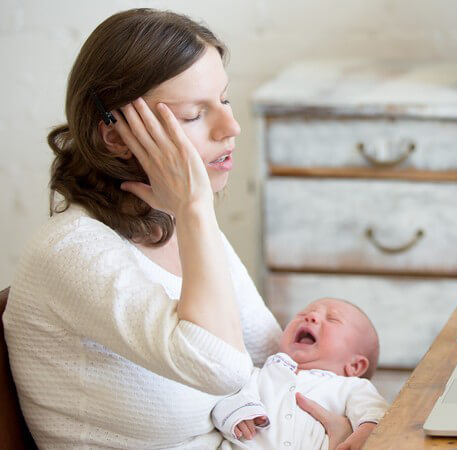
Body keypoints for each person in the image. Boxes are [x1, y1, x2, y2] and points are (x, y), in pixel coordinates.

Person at [4, 8, 354, 449]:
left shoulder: (173, 224)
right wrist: (195, 210)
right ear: (116, 136)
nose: (231, 127)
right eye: (192, 115)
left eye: (223, 100)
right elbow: (224, 367)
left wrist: (347, 424)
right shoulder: (73, 251)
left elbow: (272, 360)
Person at [211, 298, 388, 450]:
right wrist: (235, 414)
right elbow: (222, 400)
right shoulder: (259, 374)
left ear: (355, 365)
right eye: (302, 315)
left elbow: (375, 412)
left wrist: (367, 432)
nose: (311, 317)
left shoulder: (351, 387)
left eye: (332, 319)